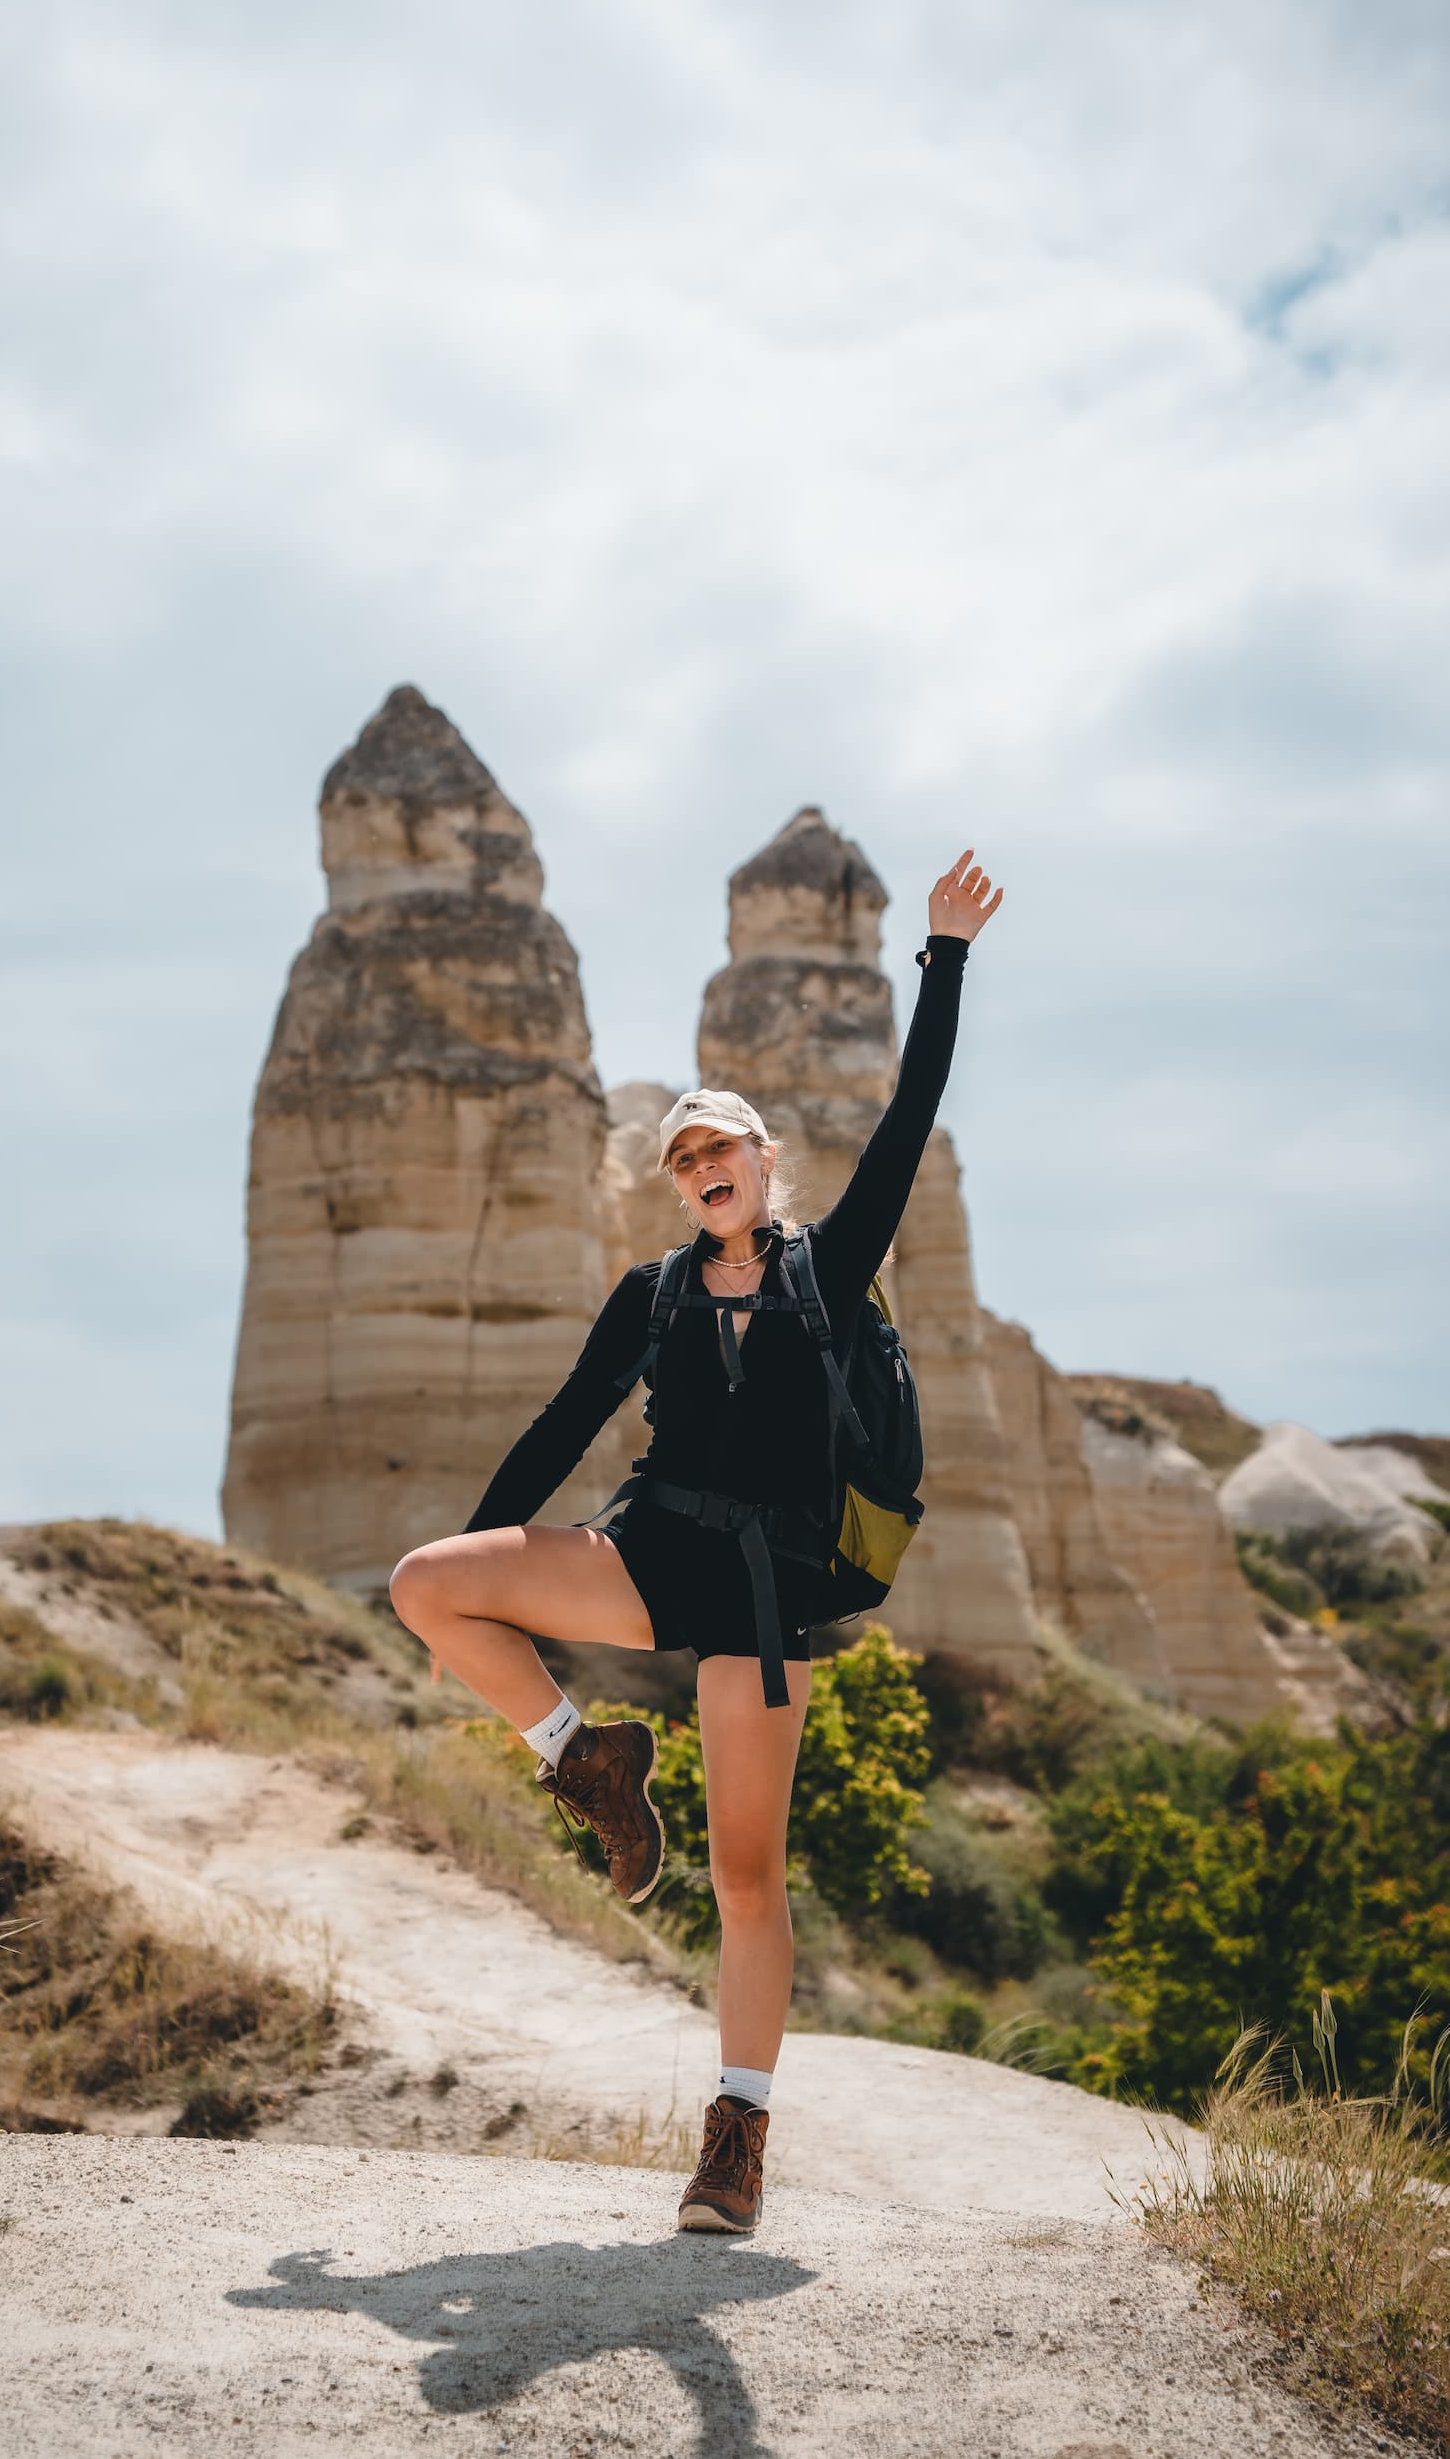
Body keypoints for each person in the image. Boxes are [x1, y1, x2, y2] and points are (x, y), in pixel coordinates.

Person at [390, 847, 1003, 2232]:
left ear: (765, 1164)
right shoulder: (652, 1292)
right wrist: (490, 1554)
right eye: (685, 1157)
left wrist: (944, 955)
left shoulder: (826, 1271)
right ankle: (588, 1760)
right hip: (647, 1553)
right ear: (675, 1185)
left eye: (724, 1146)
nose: (706, 1167)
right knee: (430, 1584)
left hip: (768, 1591)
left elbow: (908, 1118)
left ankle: (735, 2137)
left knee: (742, 1874)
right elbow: (565, 1423)